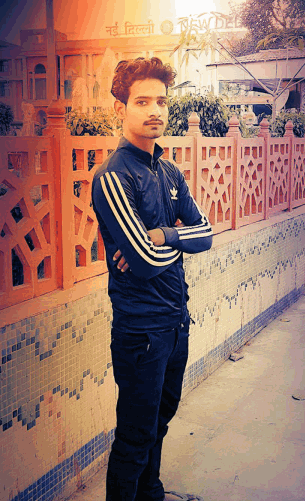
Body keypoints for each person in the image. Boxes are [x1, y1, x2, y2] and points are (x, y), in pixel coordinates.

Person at [91, 57, 212, 501]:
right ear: (120, 108)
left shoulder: (170, 172)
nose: (155, 110)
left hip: (176, 322)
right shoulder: (112, 177)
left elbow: (206, 233)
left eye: (161, 101)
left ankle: (151, 492)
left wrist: (162, 235)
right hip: (141, 331)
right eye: (142, 101)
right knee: (135, 436)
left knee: (161, 419)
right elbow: (140, 262)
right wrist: (162, 245)